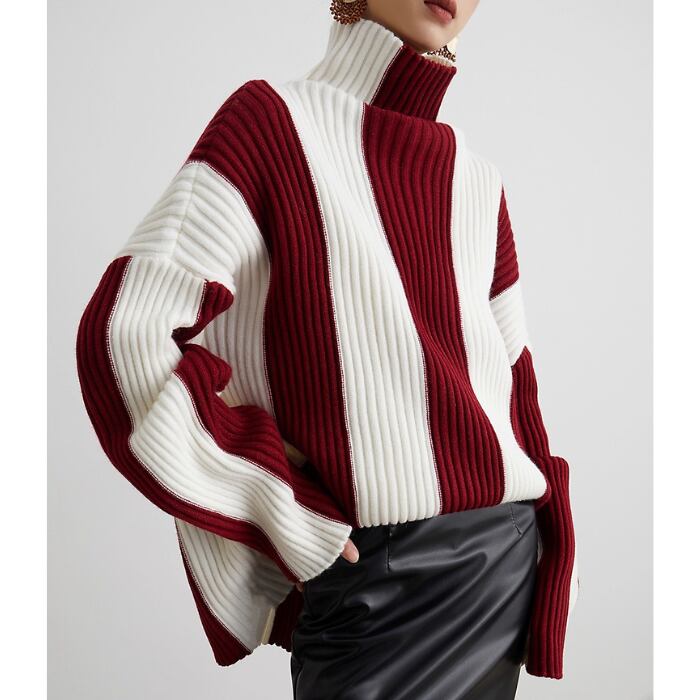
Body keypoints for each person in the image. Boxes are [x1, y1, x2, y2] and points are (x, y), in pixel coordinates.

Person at [75, 1, 578, 697]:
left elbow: (516, 391)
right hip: (376, 580)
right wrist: (279, 506)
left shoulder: (477, 179)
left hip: (500, 569)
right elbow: (121, 338)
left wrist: (551, 572)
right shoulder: (271, 124)